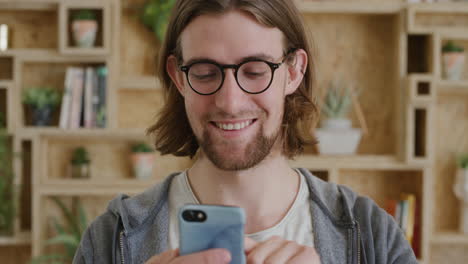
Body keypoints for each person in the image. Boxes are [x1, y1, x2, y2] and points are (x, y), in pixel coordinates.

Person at [73, 0, 418, 263]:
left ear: (294, 71)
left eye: (255, 71)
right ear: (179, 76)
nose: (230, 102)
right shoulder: (110, 238)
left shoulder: (373, 234)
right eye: (206, 72)